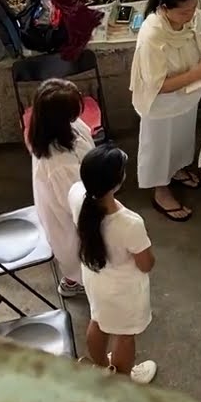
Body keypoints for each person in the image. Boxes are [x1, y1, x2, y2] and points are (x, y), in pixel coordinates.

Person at [129, 0, 201, 222]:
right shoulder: (152, 36)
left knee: (181, 139)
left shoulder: (190, 15)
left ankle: (178, 170)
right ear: (165, 9)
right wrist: (198, 73)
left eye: (193, 8)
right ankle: (160, 190)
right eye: (184, 12)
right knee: (159, 148)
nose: (191, 15)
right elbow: (159, 86)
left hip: (188, 96)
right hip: (162, 106)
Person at [69, 145, 157, 384]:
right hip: (122, 290)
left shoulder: (76, 194)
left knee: (98, 319)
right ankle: (120, 382)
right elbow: (146, 264)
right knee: (125, 334)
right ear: (116, 183)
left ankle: (101, 367)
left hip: (94, 277)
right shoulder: (130, 223)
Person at [26, 78, 95, 298]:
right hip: (69, 217)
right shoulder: (59, 163)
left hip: (69, 202)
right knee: (79, 253)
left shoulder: (55, 130)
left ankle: (74, 278)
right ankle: (77, 282)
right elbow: (77, 204)